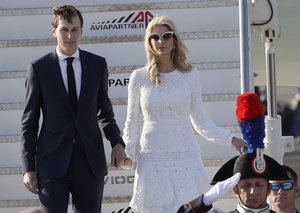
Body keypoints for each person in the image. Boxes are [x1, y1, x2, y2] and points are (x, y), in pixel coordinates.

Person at [121, 15, 245, 212]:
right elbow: (133, 123)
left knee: (192, 207)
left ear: (174, 40)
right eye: (154, 37)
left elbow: (200, 122)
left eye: (166, 36)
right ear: (149, 42)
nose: (160, 41)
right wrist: (128, 154)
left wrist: (232, 140)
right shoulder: (139, 77)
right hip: (152, 154)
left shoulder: (190, 75)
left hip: (185, 154)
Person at [20, 5, 126, 213]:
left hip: (89, 163)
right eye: (64, 29)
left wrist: (116, 143)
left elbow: (105, 113)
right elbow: (29, 122)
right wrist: (28, 168)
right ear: (54, 31)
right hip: (51, 163)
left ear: (81, 31)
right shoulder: (39, 68)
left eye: (75, 30)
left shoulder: (97, 65)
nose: (70, 35)